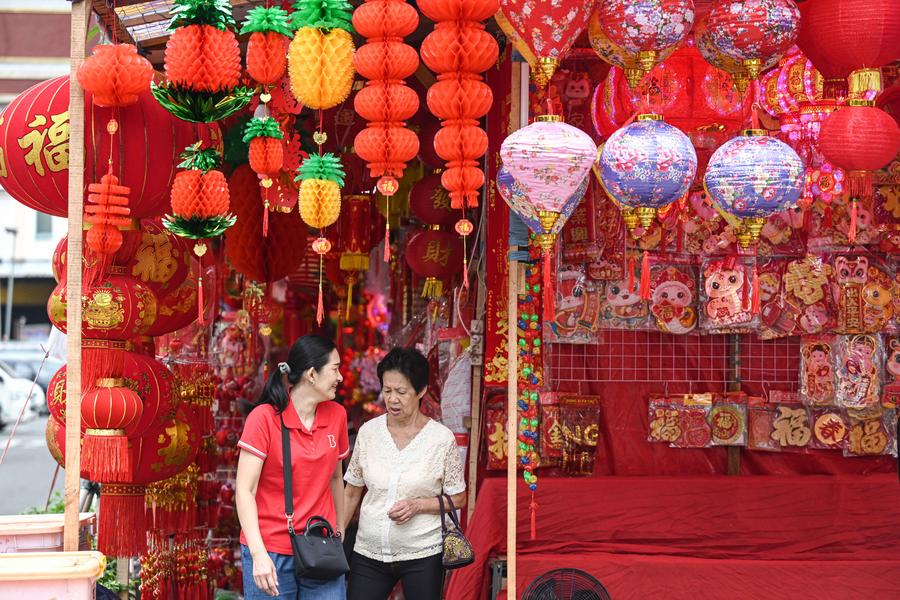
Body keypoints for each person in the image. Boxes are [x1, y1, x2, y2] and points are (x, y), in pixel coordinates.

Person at [342, 347, 466, 600]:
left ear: (420, 391)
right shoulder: (368, 433)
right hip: (369, 551)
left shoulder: (441, 439)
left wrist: (418, 505)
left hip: (423, 552)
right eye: (387, 391)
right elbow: (352, 492)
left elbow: (459, 498)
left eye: (401, 392)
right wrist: (337, 536)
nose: (392, 399)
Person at [236, 335, 349, 599]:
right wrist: (258, 554)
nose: (340, 377)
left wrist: (339, 529)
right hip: (271, 550)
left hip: (320, 545)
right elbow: (245, 490)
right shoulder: (264, 418)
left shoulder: (337, 416)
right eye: (335, 368)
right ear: (312, 374)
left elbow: (335, 477)